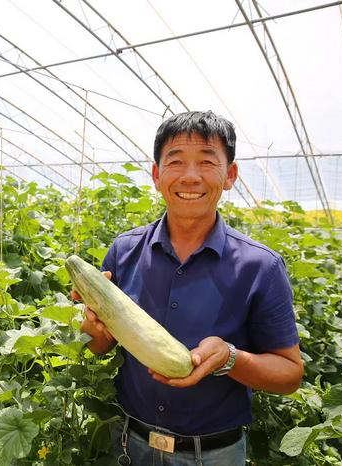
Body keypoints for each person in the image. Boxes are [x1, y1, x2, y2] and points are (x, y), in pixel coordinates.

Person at [74, 111, 303, 466]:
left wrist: (230, 358)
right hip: (130, 445)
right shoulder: (123, 251)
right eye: (176, 161)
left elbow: (290, 375)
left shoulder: (262, 267)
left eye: (207, 162)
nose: (191, 176)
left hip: (213, 456)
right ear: (156, 175)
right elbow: (100, 346)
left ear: (230, 176)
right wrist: (93, 331)